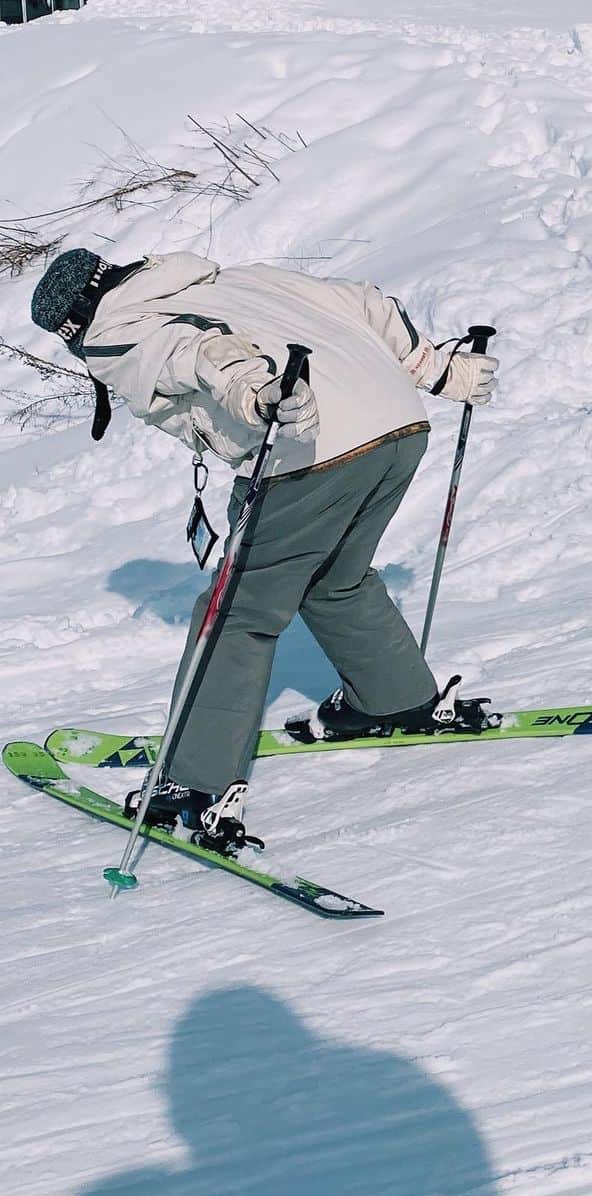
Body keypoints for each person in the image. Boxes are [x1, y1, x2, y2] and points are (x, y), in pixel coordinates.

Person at [30, 248, 498, 848]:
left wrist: (259, 394)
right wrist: (435, 371)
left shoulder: (114, 329)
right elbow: (364, 300)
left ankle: (191, 783)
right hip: (398, 428)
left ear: (74, 324)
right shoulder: (236, 280)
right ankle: (396, 699)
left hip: (311, 446)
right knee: (336, 577)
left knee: (235, 613)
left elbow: (200, 353)